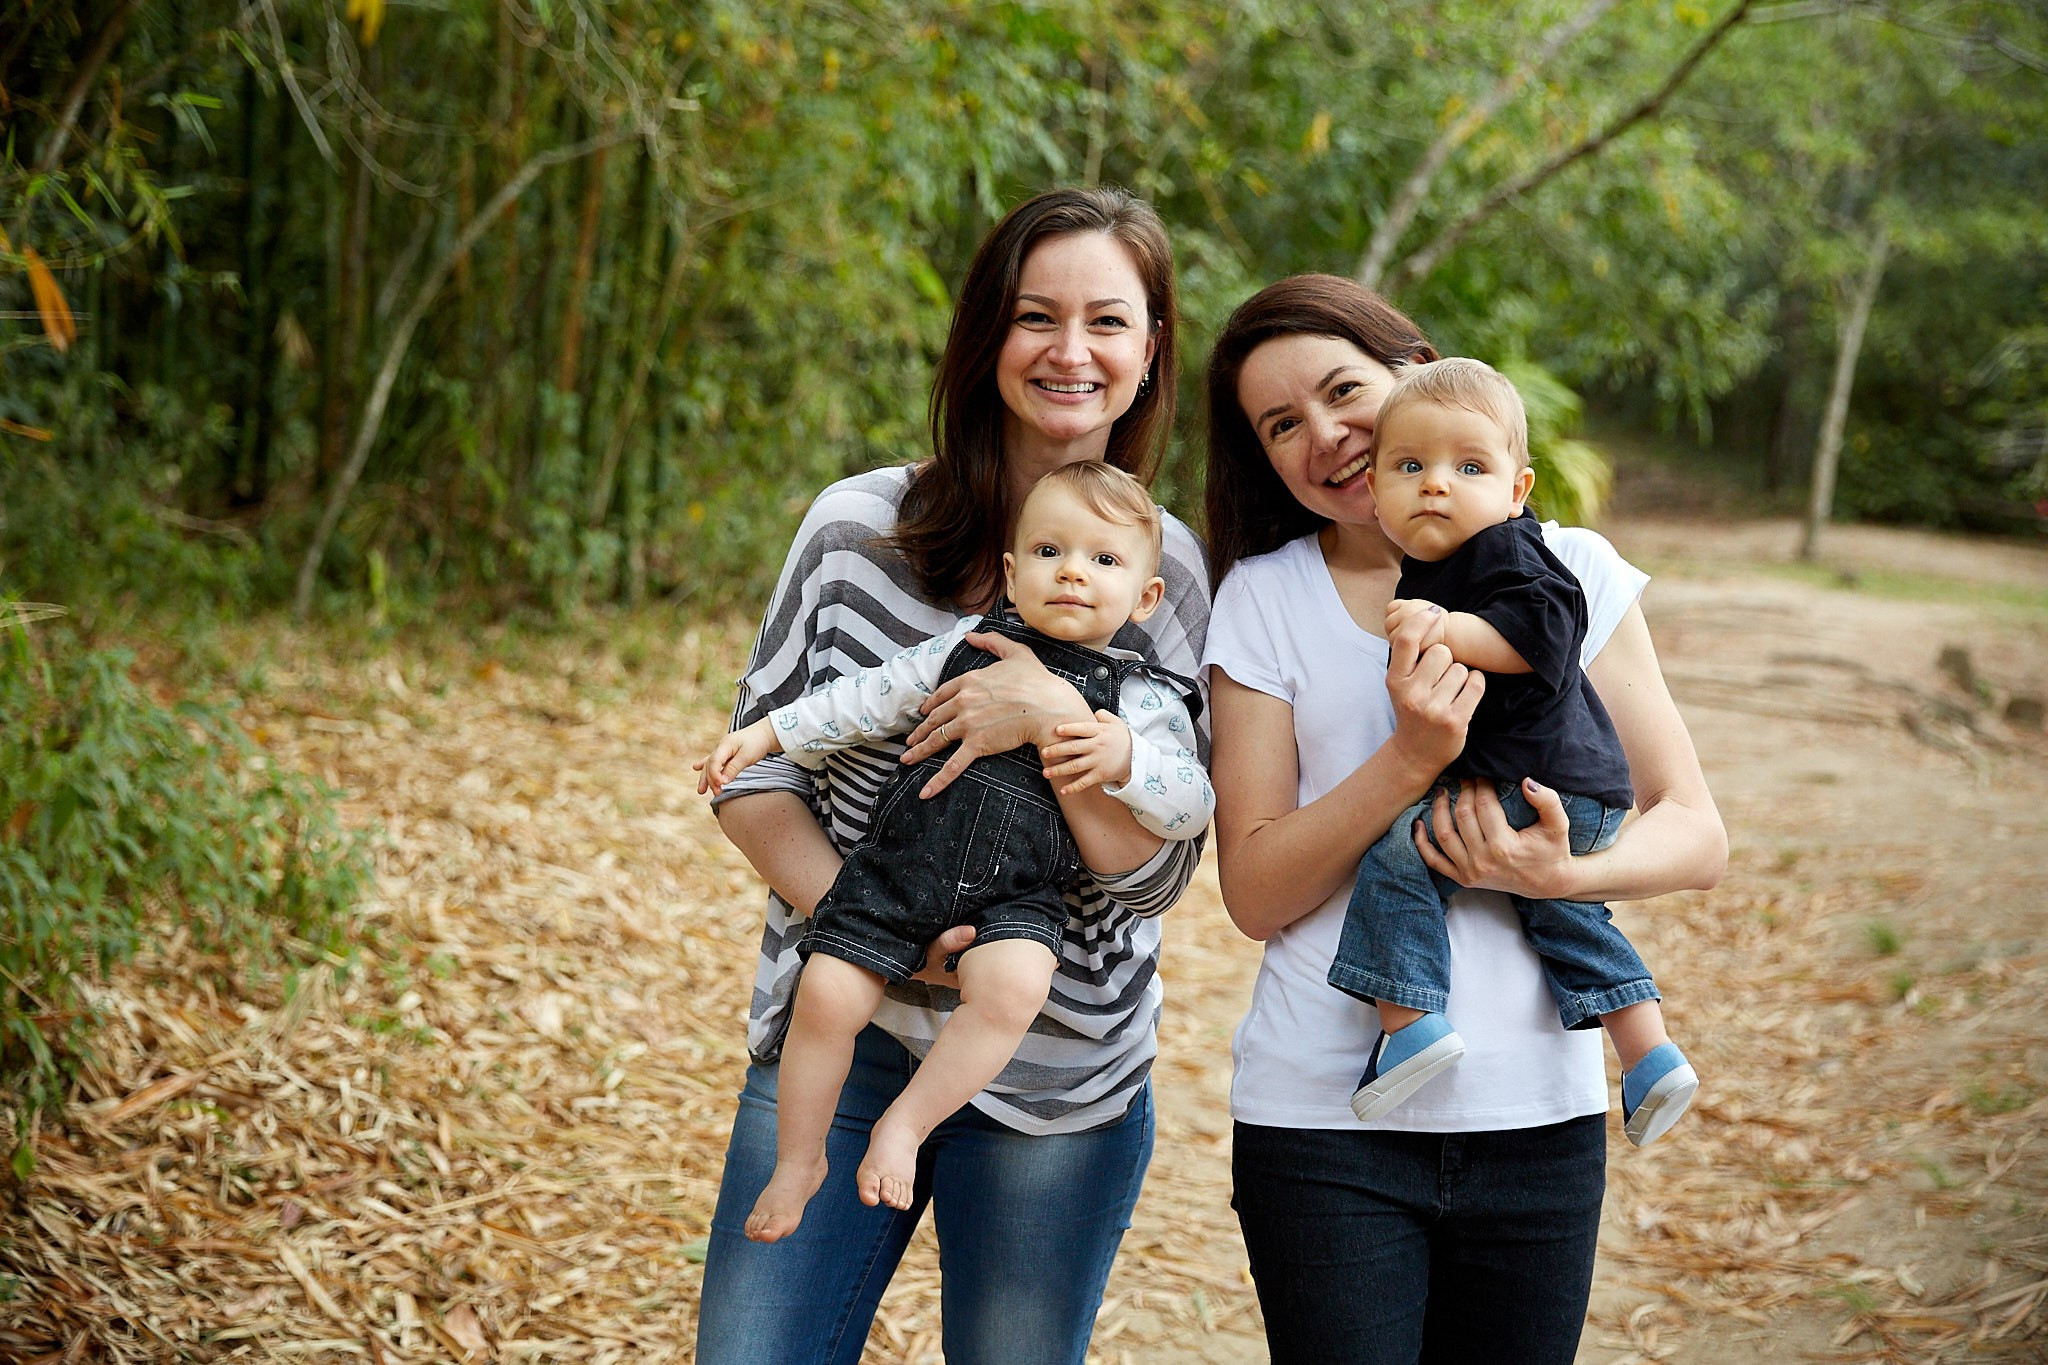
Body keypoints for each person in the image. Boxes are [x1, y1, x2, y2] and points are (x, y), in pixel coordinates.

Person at [694, 185, 1211, 1365]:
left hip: (1059, 1065)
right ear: (986, 335)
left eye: (1107, 322)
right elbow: (753, 774)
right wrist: (870, 933)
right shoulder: (857, 528)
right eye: (1035, 316)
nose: (1069, 351)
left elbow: (1154, 875)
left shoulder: (1165, 569)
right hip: (845, 1025)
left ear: (1149, 351)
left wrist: (1049, 721)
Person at [1201, 275, 1726, 1364]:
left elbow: (1693, 833)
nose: (1327, 436)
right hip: (1323, 1123)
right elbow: (1252, 894)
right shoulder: (1263, 596)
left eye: (1344, 390)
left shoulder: (1567, 569)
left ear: (1411, 370)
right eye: (1281, 425)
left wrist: (1558, 876)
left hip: (1538, 1115)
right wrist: (1410, 760)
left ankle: (1639, 1045)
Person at [696, 461, 1210, 1243]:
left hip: (1019, 894)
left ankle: (905, 1123)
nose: (1073, 570)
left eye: (1104, 560)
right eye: (1049, 551)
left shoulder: (1143, 704)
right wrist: (768, 731)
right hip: (904, 864)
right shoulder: (962, 648)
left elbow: (1193, 804)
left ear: (1145, 596)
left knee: (1012, 987)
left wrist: (1129, 762)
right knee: (828, 991)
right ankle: (800, 1159)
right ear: (1012, 571)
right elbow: (859, 699)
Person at [1330, 357, 1697, 1147]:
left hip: (1543, 783)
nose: (1436, 484)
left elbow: (1552, 629)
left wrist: (1446, 628)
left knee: (1400, 857)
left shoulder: (1508, 550)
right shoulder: (1438, 565)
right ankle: (1648, 1053)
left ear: (1517, 489)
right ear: (1374, 491)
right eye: (1410, 466)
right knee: (1560, 912)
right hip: (1571, 787)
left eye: (1468, 466)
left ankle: (1412, 1022)